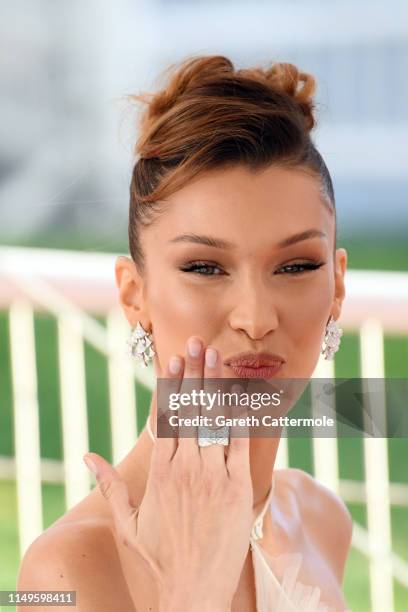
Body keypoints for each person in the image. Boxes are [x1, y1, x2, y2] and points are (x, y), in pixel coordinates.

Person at [17, 54, 352, 611]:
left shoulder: (320, 519)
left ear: (337, 286)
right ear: (134, 295)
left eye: (295, 266)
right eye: (204, 268)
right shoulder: (68, 570)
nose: (255, 317)